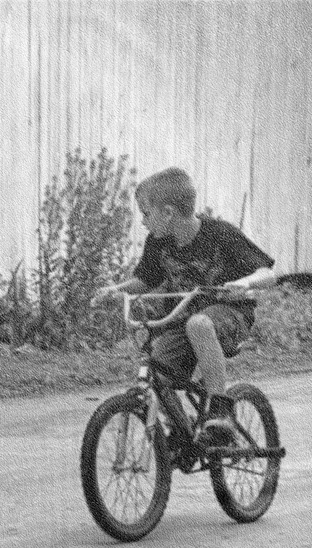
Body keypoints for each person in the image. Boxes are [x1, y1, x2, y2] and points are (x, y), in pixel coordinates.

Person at [92, 167, 276, 445]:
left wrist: (246, 283)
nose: (143, 221)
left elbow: (268, 273)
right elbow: (145, 279)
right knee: (158, 366)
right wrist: (116, 290)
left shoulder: (219, 234)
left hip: (229, 317)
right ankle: (183, 432)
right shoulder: (158, 242)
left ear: (167, 213)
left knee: (199, 324)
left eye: (146, 213)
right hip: (184, 319)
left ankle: (221, 413)